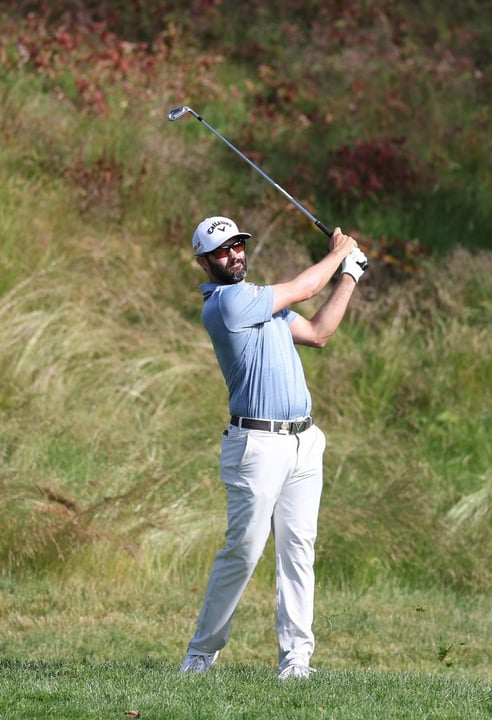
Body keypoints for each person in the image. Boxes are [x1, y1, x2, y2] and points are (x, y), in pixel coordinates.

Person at [179, 216, 367, 679]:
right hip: (256, 446)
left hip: (304, 441)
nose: (234, 255)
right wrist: (338, 252)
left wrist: (350, 276)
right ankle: (201, 653)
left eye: (238, 246)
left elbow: (319, 333)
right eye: (222, 251)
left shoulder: (263, 304)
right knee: (244, 549)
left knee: (299, 548)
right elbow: (305, 287)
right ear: (205, 262)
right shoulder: (227, 304)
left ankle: (296, 659)